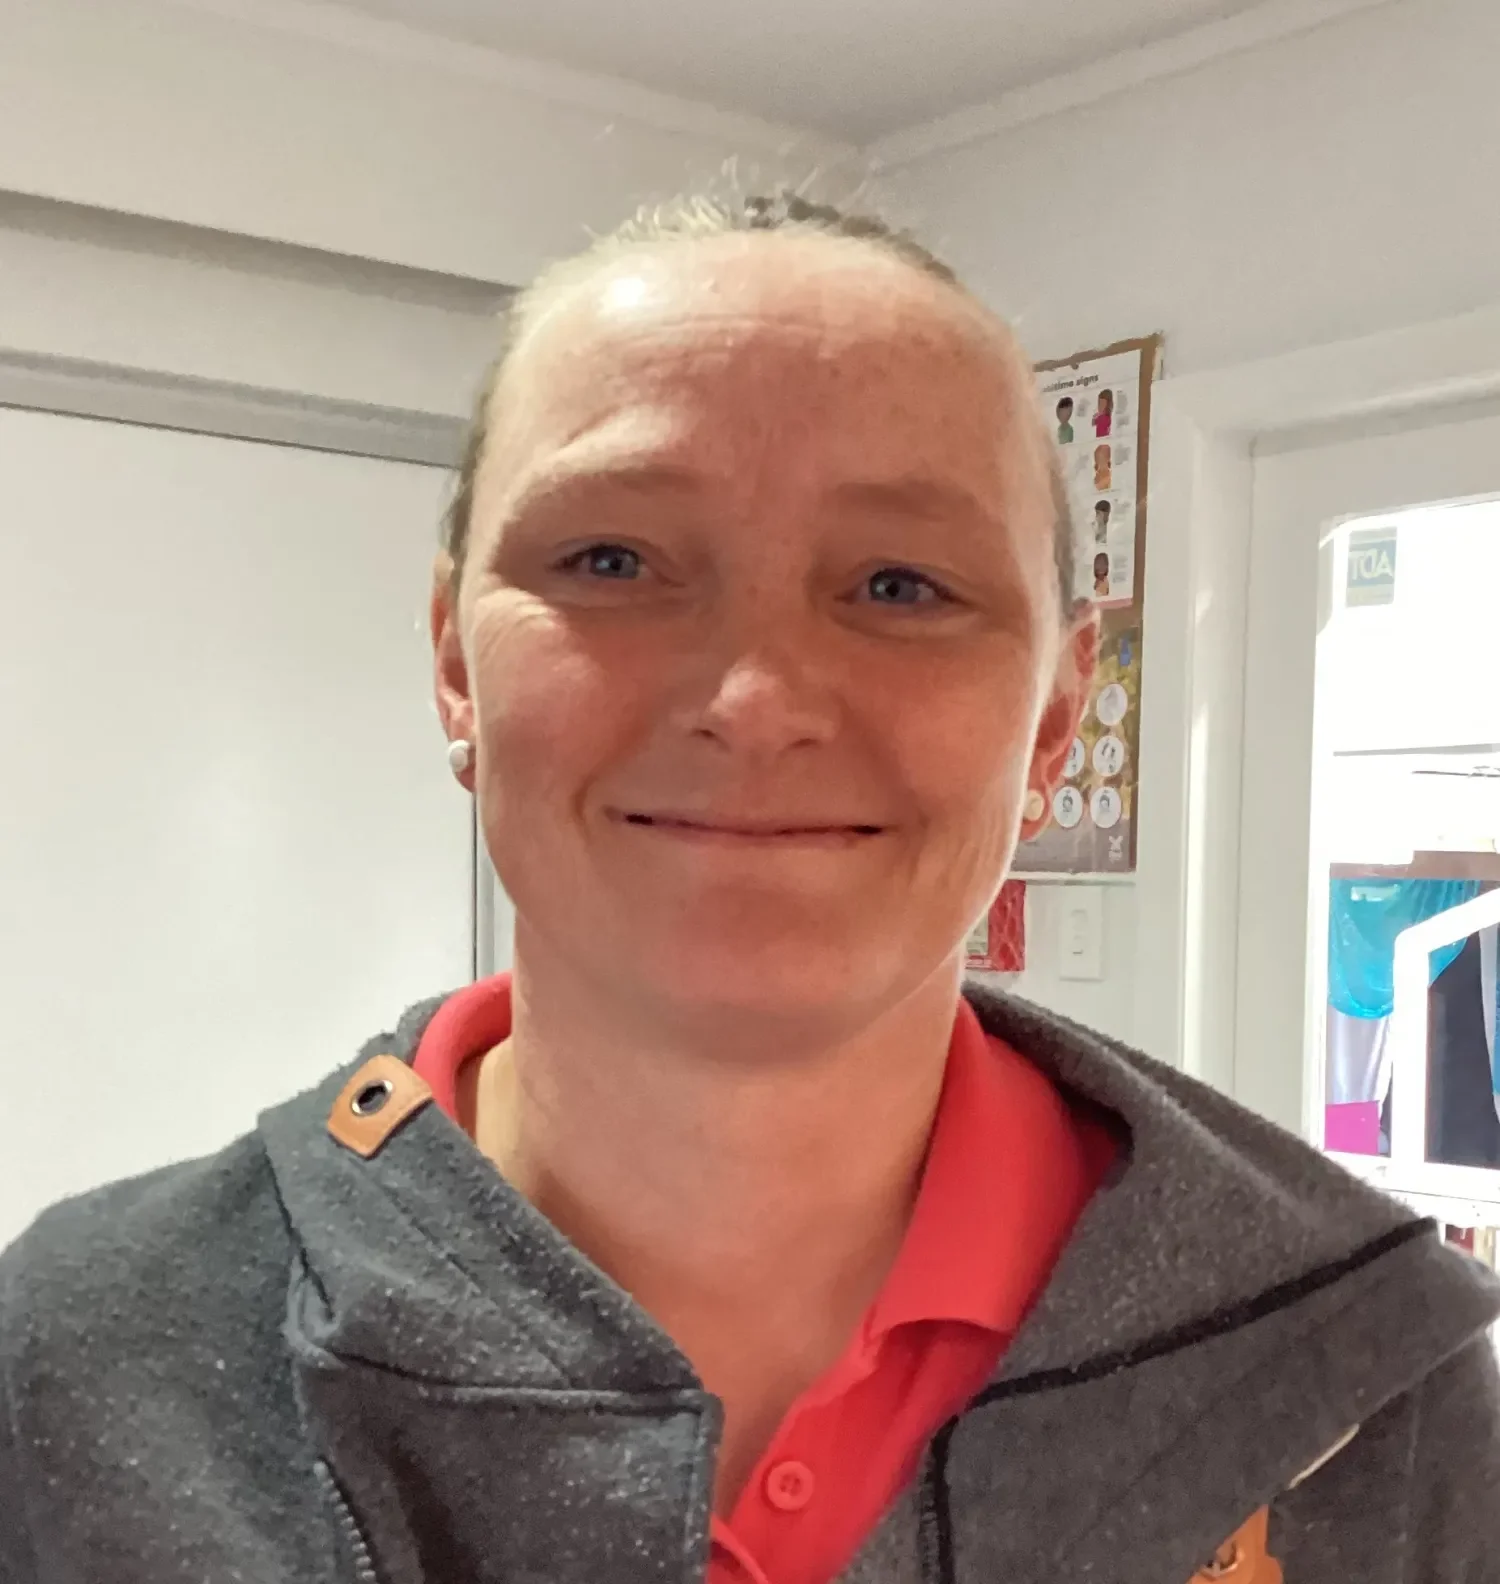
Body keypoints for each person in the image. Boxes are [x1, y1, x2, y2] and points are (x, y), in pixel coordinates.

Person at [2, 190, 1497, 1584]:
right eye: (611, 559)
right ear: (457, 663)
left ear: (1054, 720)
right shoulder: (79, 1364)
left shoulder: (1378, 1391)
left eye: (901, 585)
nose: (756, 701)